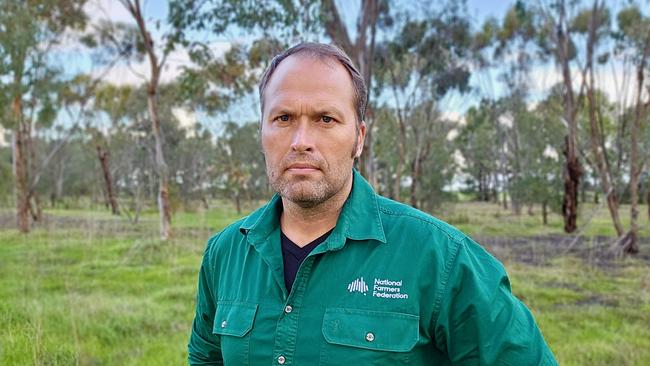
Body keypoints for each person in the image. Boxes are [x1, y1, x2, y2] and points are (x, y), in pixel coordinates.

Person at [188, 42, 557, 365]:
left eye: (325, 118)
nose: (301, 140)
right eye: (283, 118)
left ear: (359, 138)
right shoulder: (225, 254)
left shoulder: (439, 257)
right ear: (262, 131)